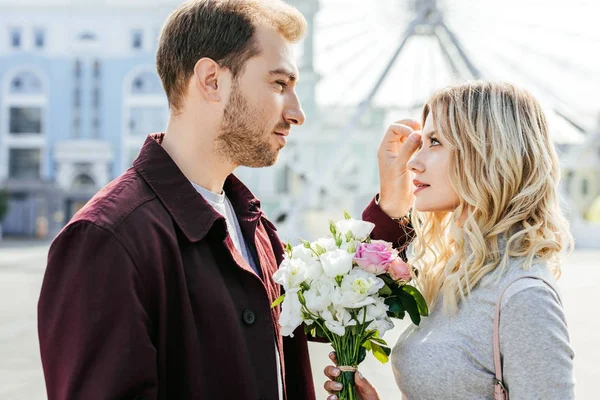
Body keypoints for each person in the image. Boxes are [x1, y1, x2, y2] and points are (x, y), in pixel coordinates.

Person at [37, 1, 415, 399]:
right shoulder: (106, 241)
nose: (297, 112)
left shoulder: (252, 225)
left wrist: (390, 205)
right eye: (279, 84)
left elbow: (333, 306)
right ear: (212, 80)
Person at [323, 81, 575, 399]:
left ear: (488, 153)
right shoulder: (455, 275)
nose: (413, 161)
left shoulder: (524, 296)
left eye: (435, 142)